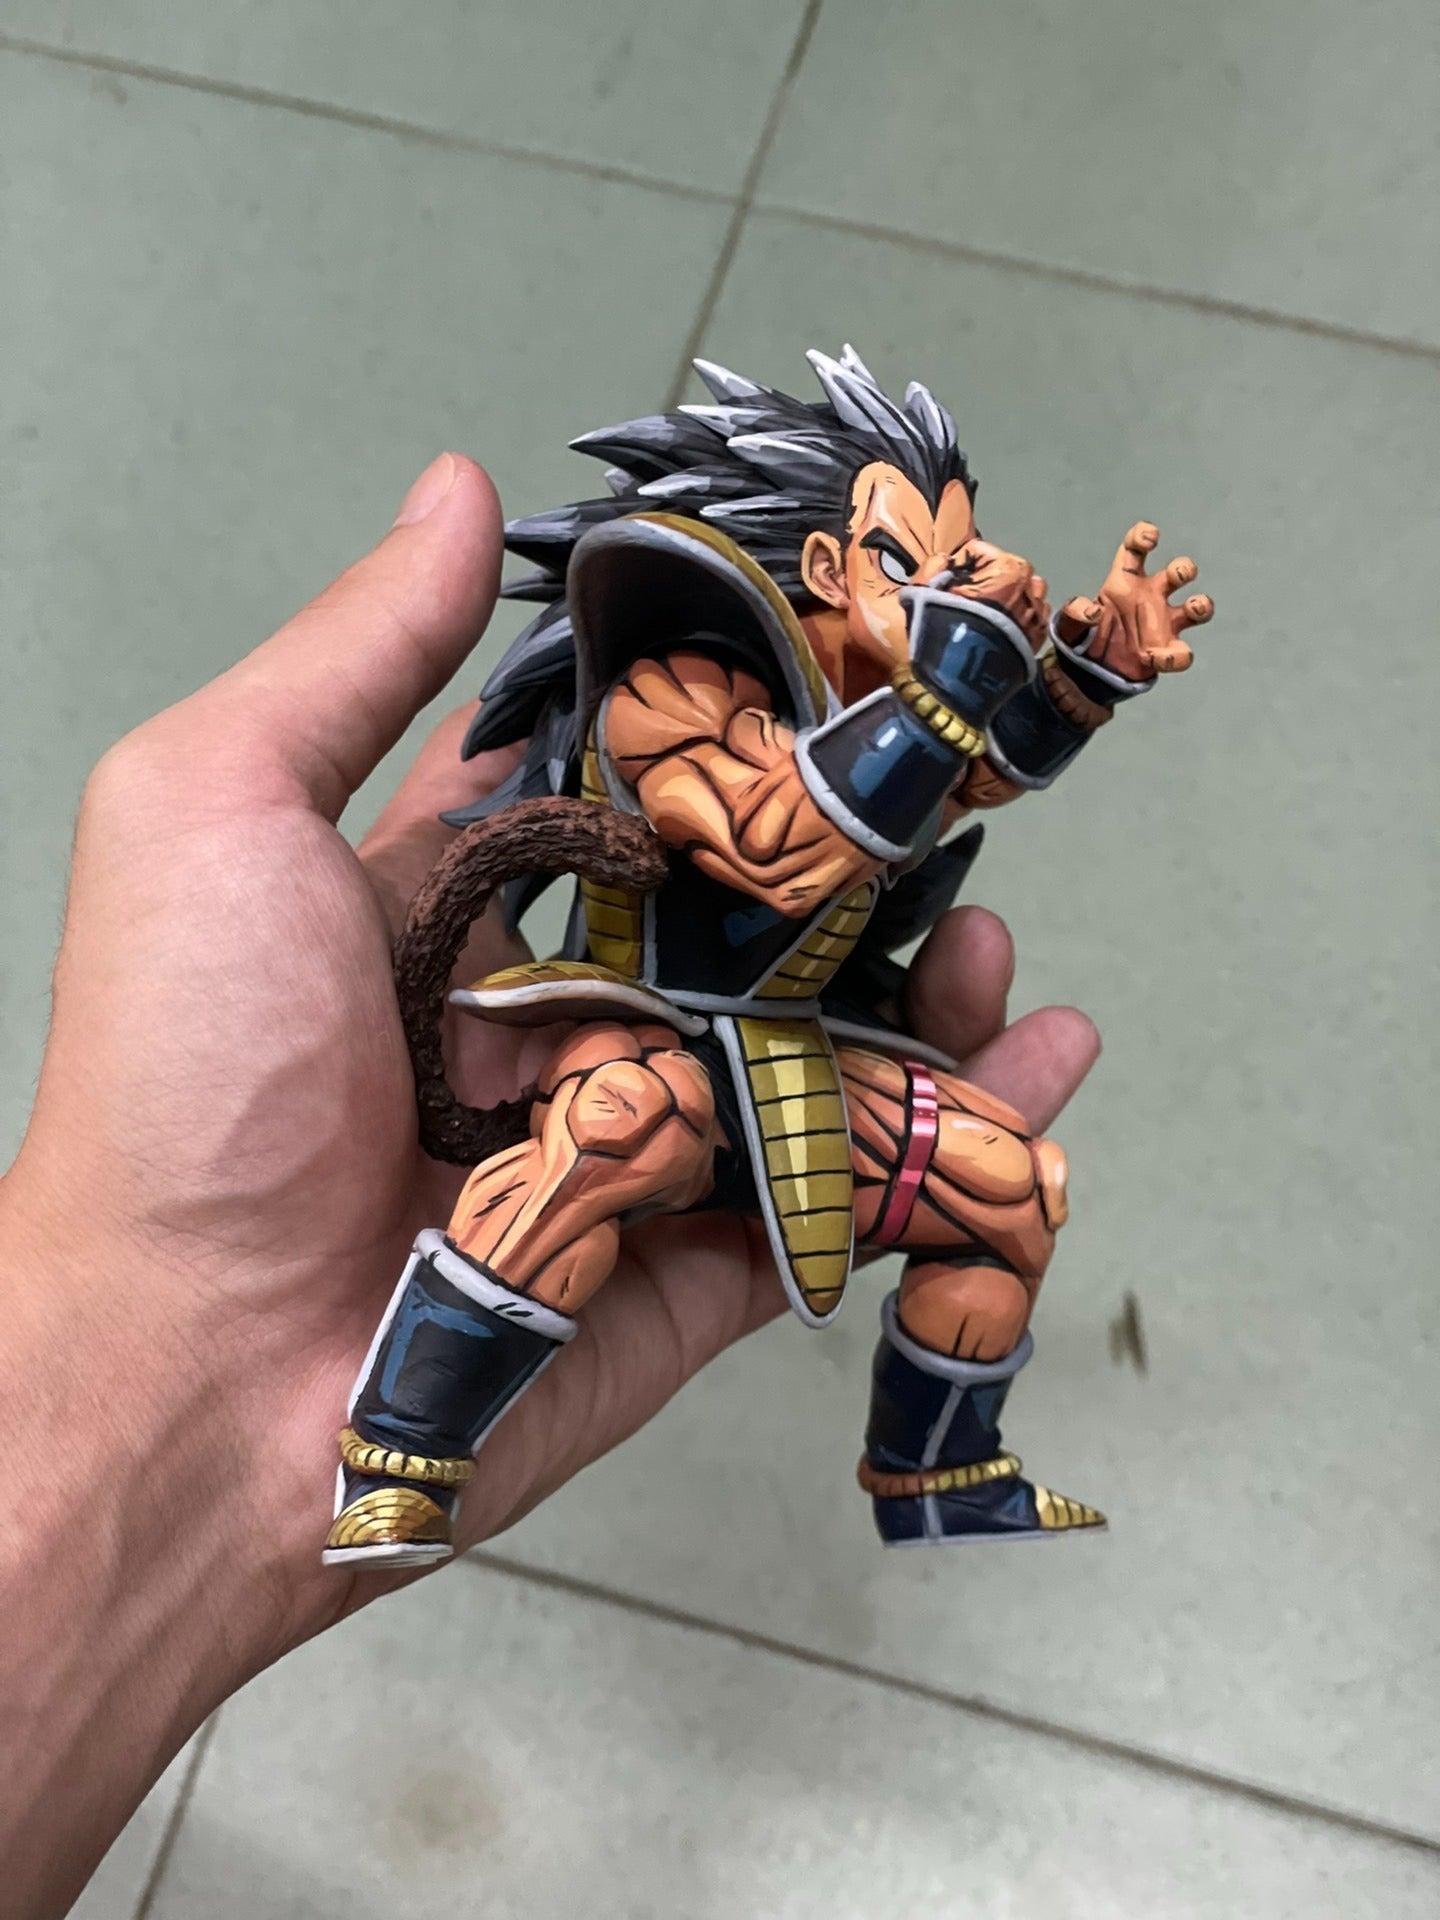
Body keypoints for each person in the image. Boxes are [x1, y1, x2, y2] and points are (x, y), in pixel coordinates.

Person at [0, 454, 1100, 1919]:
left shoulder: (883, 698)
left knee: (1010, 1186)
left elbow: (977, 767)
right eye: (921, 560)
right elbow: (778, 846)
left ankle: (933, 1466)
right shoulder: (674, 687)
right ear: (832, 572)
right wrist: (952, 671)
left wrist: (1085, 671)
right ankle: (401, 1451)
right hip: (645, 1030)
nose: (966, 578)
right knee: (616, 1134)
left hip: (790, 1056)